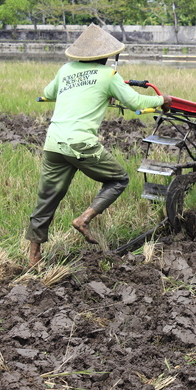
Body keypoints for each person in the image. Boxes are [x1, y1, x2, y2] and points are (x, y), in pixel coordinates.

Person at [26, 23, 172, 266]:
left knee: (46, 198)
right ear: (106, 57)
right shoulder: (108, 75)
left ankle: (34, 255)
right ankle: (84, 219)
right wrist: (162, 99)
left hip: (54, 143)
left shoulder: (65, 69)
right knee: (118, 179)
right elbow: (134, 101)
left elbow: (48, 92)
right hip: (81, 144)